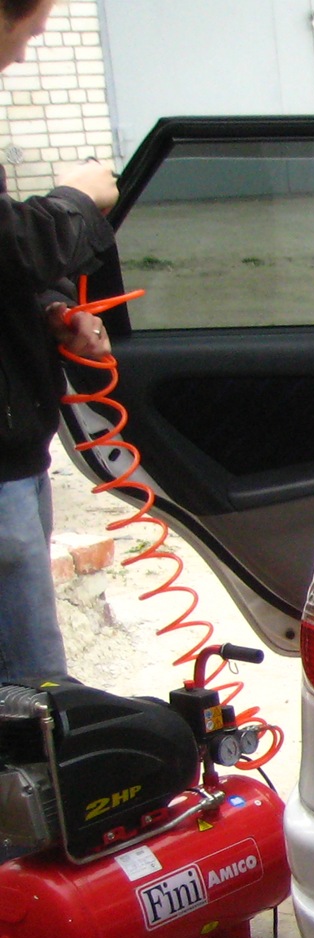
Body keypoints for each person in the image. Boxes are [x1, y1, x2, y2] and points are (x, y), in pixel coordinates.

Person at [0, 0, 117, 687]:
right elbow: (11, 239)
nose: (18, 57)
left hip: (16, 453)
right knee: (32, 699)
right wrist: (76, 200)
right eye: (24, 34)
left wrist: (50, 308)